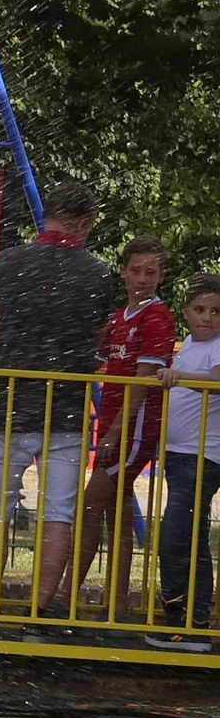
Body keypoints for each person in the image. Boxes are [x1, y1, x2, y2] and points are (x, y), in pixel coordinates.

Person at [0, 180, 123, 616]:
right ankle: (41, 609)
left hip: (11, 401)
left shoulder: (6, 263)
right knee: (59, 511)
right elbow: (97, 334)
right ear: (82, 223)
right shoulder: (96, 274)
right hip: (67, 407)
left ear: (47, 216)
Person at [73, 235, 175, 622]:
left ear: (161, 276)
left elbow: (142, 381)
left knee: (88, 505)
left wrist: (115, 433)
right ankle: (115, 606)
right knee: (114, 517)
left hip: (133, 428)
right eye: (136, 270)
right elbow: (96, 362)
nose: (143, 278)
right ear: (123, 271)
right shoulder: (119, 316)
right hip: (113, 424)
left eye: (151, 272)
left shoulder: (157, 318)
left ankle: (65, 598)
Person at [147, 275, 220, 651]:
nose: (208, 318)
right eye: (200, 310)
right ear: (186, 312)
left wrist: (178, 377)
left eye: (216, 311)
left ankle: (191, 624)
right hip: (179, 454)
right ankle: (181, 619)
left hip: (202, 456)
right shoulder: (190, 343)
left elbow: (215, 378)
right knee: (183, 536)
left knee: (179, 536)